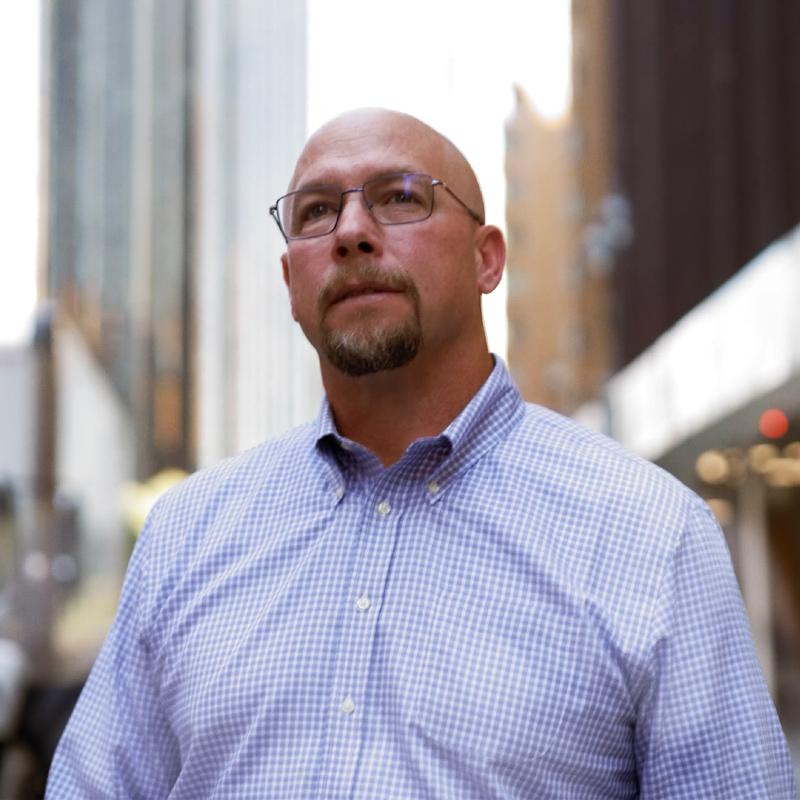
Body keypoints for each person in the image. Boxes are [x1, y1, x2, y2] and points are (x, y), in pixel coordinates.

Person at [47, 108, 795, 798]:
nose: (350, 231)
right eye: (316, 212)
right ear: (291, 281)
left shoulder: (651, 533)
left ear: (487, 260)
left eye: (400, 197)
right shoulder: (185, 535)